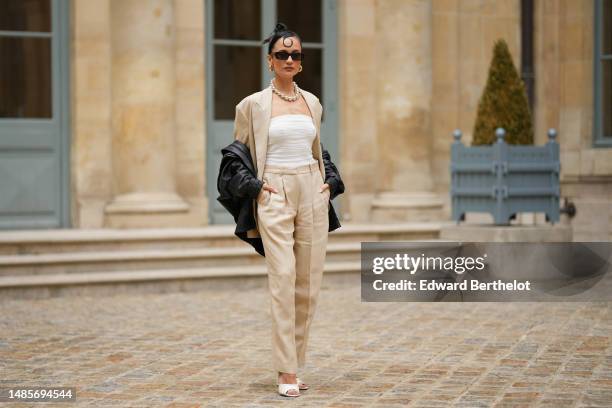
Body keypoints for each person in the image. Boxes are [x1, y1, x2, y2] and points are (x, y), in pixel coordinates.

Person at [225, 22, 345, 397]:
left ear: (301, 63)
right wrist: (257, 189)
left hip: (312, 188)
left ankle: (297, 361)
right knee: (283, 278)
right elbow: (236, 157)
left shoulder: (313, 103)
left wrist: (330, 181)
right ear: (270, 61)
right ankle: (285, 370)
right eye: (282, 54)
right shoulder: (252, 105)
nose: (289, 59)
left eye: (296, 55)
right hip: (274, 191)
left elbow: (317, 149)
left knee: (308, 284)